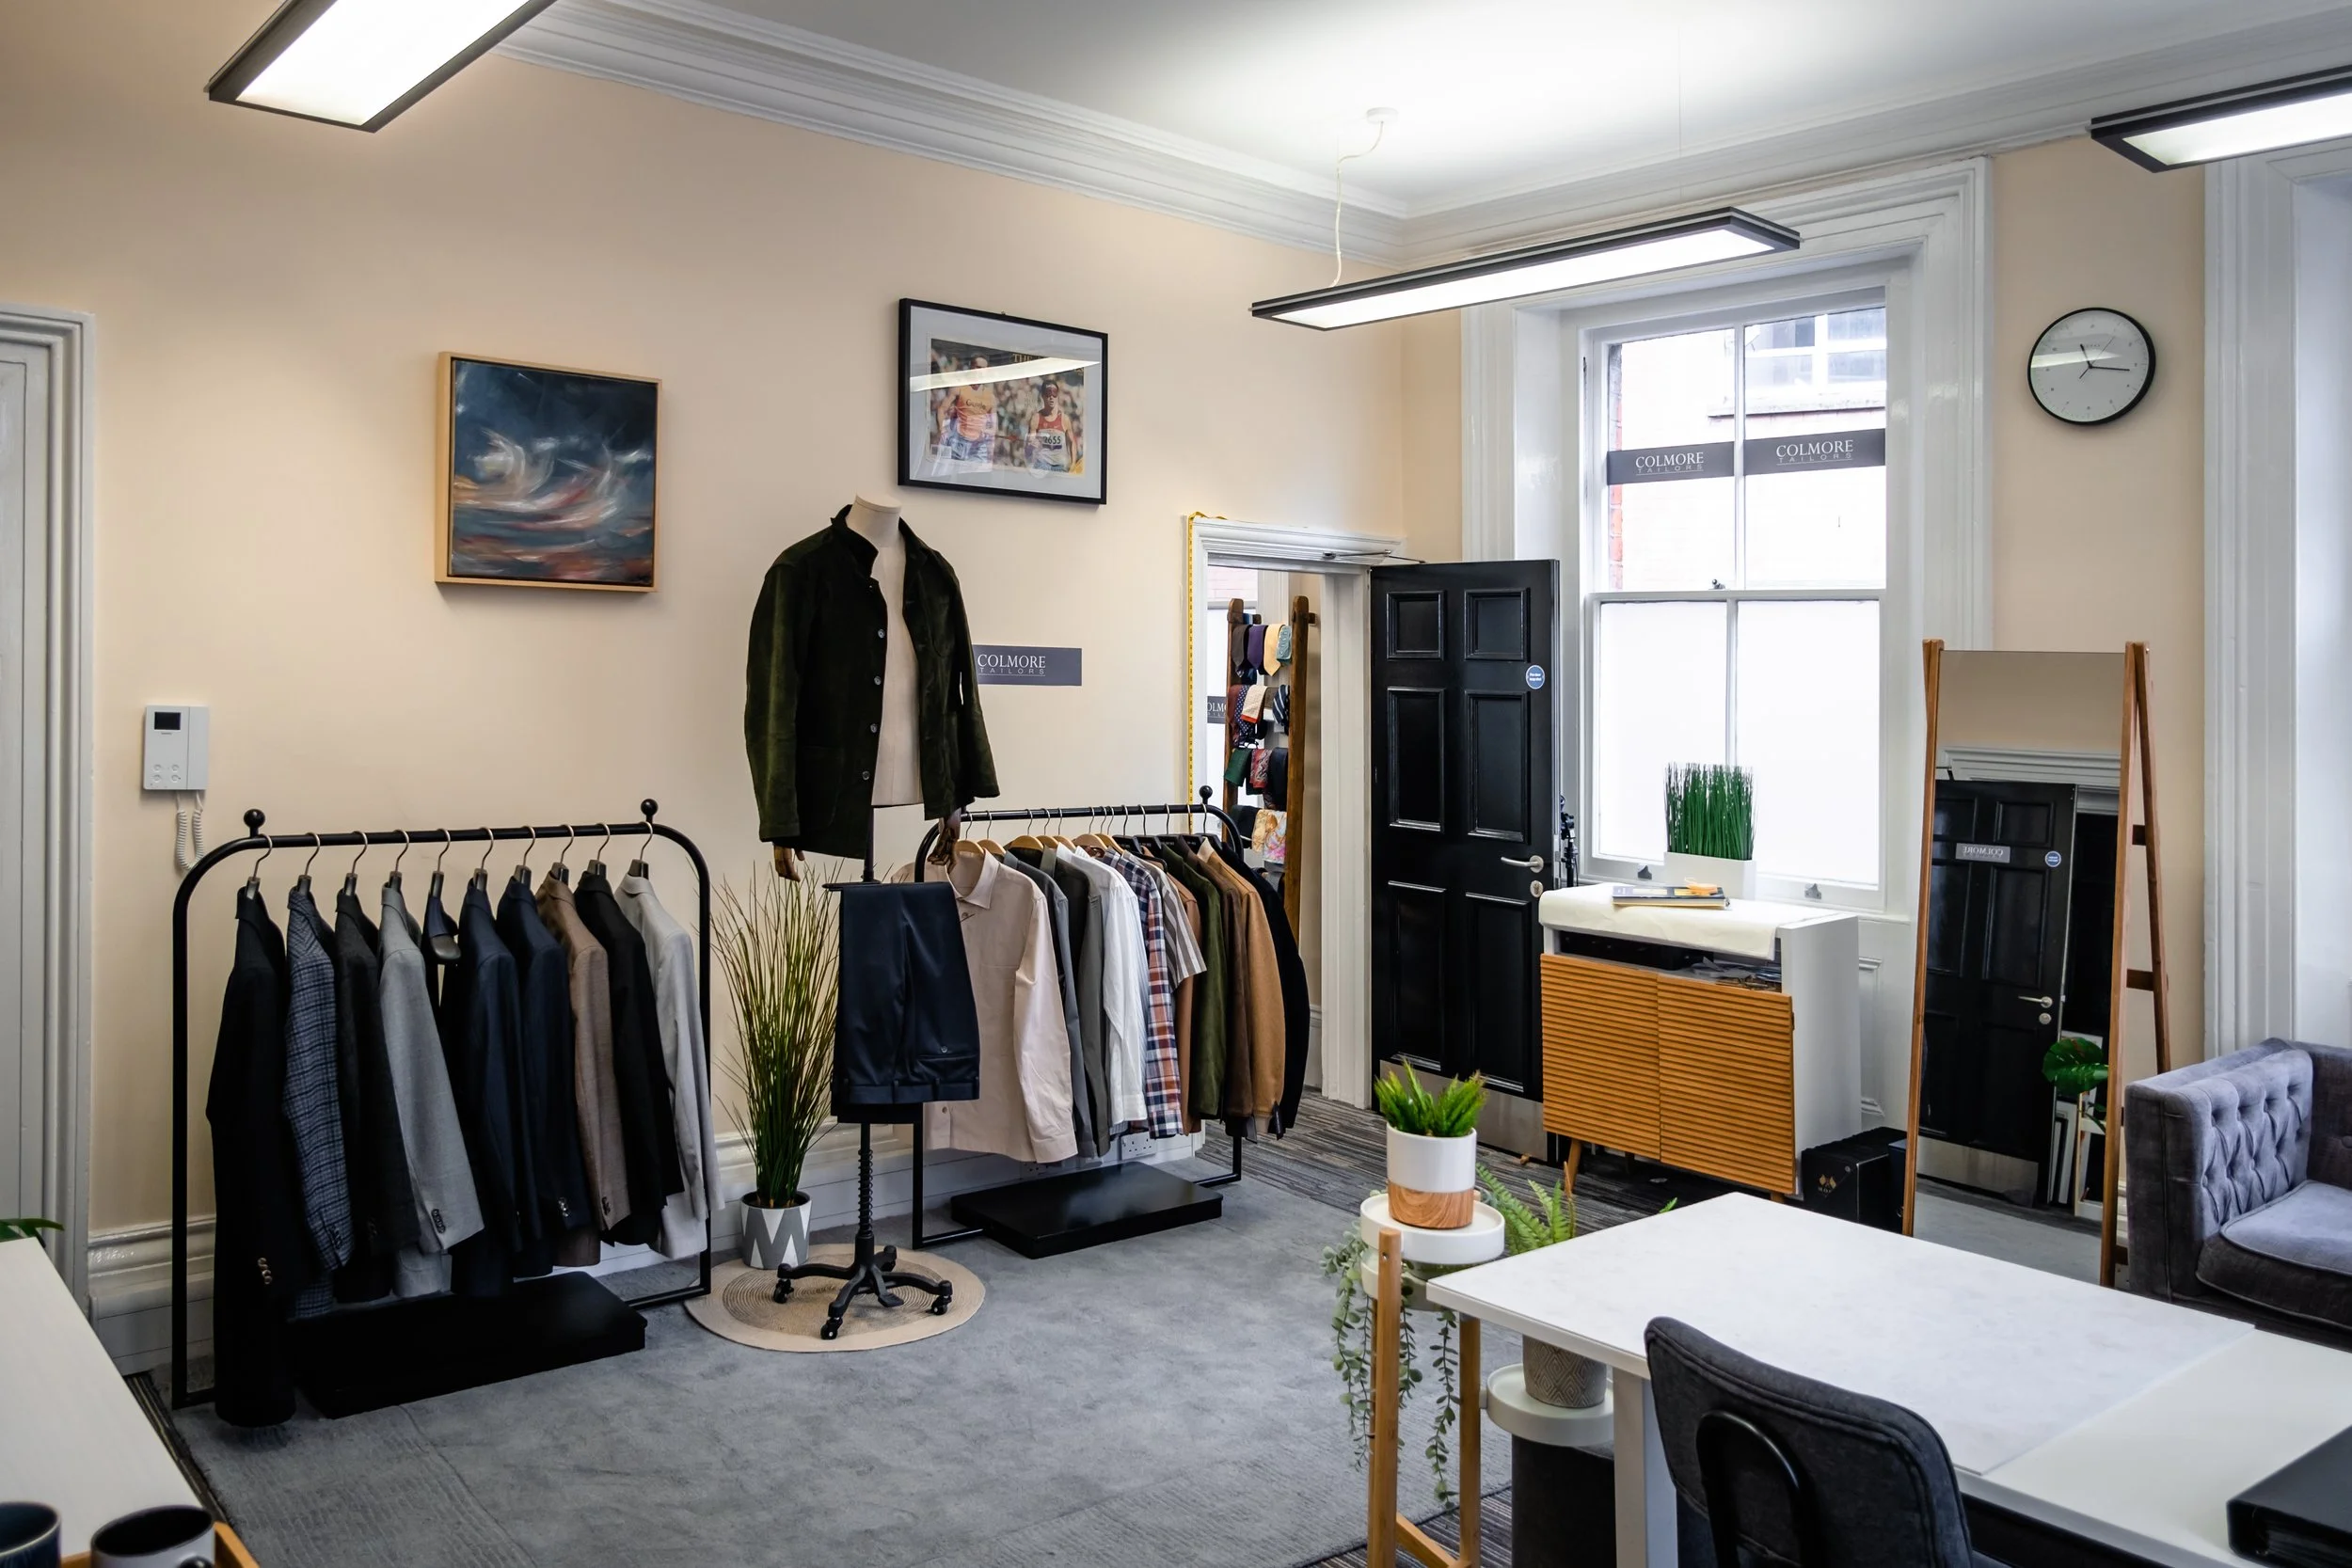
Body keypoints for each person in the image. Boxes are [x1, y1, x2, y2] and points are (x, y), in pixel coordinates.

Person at [934, 355, 997, 468]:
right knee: (950, 478)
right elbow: (941, 410)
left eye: (984, 368)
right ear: (971, 367)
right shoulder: (959, 388)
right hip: (958, 442)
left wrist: (987, 434)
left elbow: (994, 427)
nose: (980, 371)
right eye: (977, 367)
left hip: (978, 447)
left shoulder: (990, 397)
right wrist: (942, 431)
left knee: (974, 481)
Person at [1025, 376, 1077, 473]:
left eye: (1054, 394)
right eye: (1048, 394)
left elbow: (1072, 442)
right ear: (1043, 396)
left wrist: (1073, 463)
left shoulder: (1064, 419)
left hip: (1060, 466)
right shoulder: (1036, 418)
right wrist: (1032, 443)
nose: (1051, 398)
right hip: (1042, 465)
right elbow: (1030, 442)